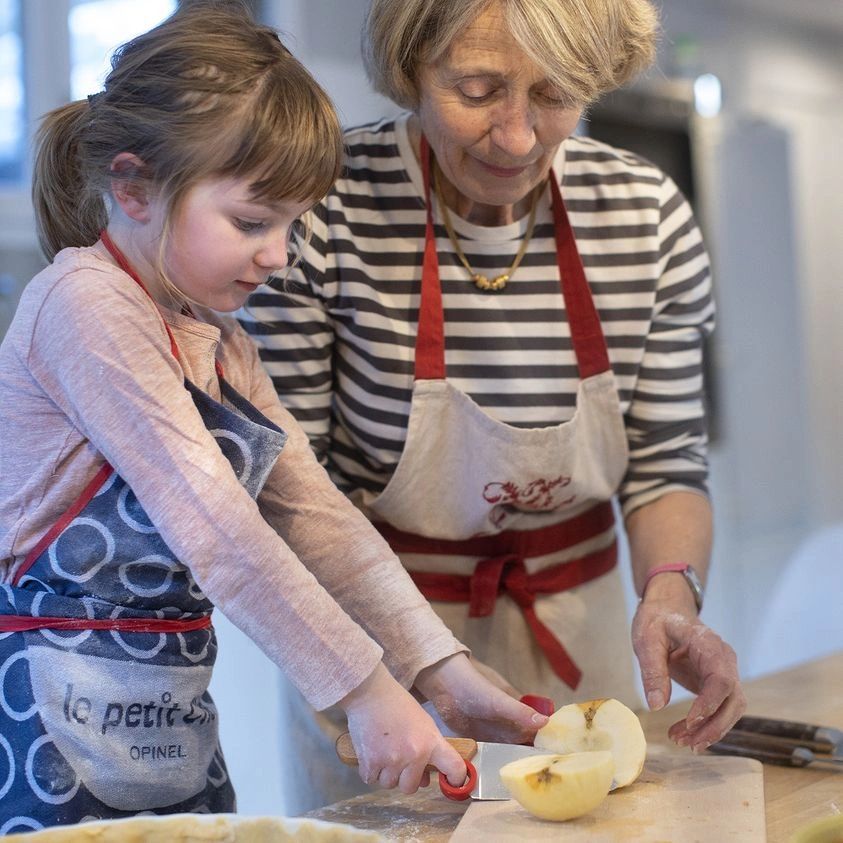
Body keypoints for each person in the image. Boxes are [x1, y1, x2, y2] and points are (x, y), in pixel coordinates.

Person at [0, 2, 547, 833]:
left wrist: (440, 670)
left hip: (166, 714)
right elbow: (216, 525)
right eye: (253, 222)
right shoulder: (87, 306)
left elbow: (315, 513)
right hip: (46, 714)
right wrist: (364, 690)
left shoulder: (218, 337)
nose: (279, 254)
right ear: (134, 187)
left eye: (293, 224)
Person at [241, 0, 746, 811]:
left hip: (580, 646)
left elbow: (664, 461)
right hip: (381, 655)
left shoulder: (646, 215)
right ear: (411, 68)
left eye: (553, 95)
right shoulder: (321, 210)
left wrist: (671, 595)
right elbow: (289, 493)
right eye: (476, 90)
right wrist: (413, 667)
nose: (516, 138)